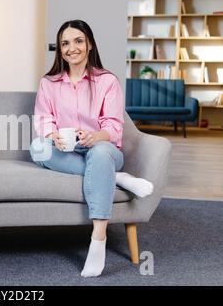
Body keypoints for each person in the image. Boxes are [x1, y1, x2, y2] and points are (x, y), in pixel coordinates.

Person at [29, 20, 153, 277]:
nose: (71, 48)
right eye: (65, 43)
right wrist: (54, 136)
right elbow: (44, 120)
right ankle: (116, 178)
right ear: (60, 49)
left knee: (100, 154)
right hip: (66, 151)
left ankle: (98, 238)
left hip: (102, 148)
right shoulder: (48, 83)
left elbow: (113, 126)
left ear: (89, 44)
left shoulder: (107, 81)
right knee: (37, 148)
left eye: (78, 41)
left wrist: (96, 137)